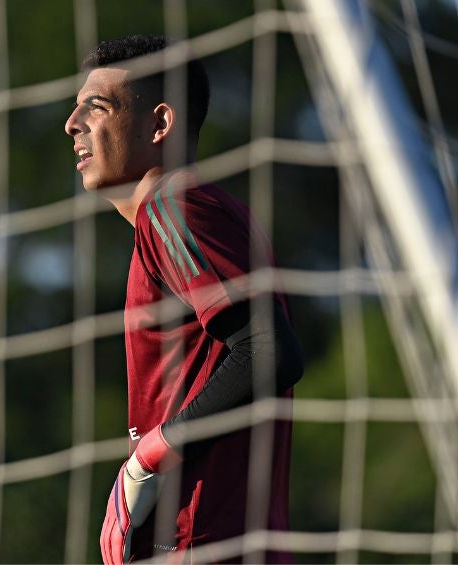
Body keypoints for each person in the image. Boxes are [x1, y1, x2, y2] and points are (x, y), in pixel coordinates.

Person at [64, 34, 304, 564]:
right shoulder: (208, 211)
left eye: (95, 108)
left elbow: (269, 351)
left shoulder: (171, 210)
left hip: (203, 543)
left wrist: (144, 460)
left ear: (160, 124)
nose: (72, 124)